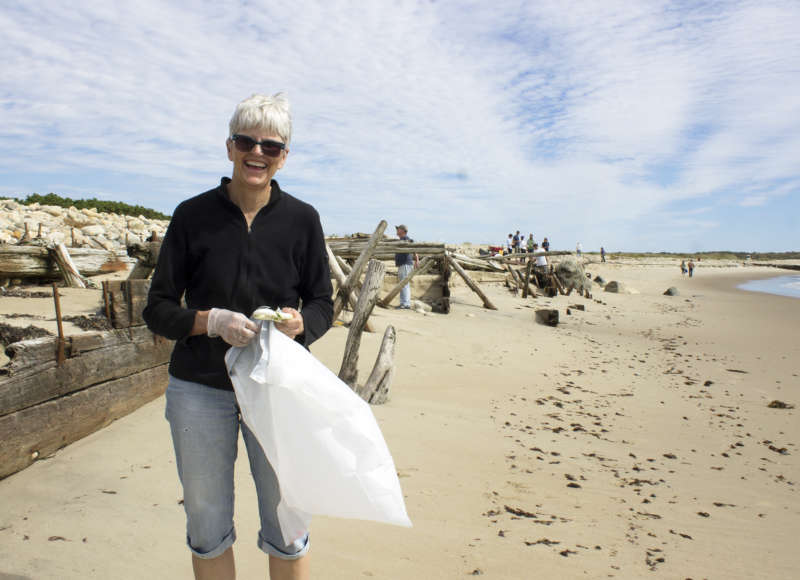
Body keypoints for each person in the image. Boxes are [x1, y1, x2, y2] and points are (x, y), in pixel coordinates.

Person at [142, 93, 333, 580]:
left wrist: (299, 325)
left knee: (287, 526)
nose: (258, 153)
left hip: (276, 388)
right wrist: (210, 321)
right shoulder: (191, 215)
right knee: (207, 527)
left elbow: (322, 304)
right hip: (199, 390)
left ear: (284, 156)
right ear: (230, 147)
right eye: (247, 141)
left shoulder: (302, 219)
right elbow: (158, 308)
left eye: (271, 146)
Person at [394, 224, 419, 309]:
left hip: (405, 264)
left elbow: (414, 247)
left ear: (402, 231)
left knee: (404, 284)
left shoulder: (406, 239)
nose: (397, 230)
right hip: (403, 264)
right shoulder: (402, 239)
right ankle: (404, 303)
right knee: (403, 284)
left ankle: (405, 304)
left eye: (398, 229)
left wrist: (417, 260)